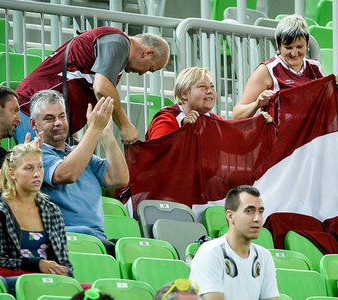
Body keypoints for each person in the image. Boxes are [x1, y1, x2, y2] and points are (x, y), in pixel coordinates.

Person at [15, 26, 170, 144]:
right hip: (31, 112)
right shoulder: (118, 42)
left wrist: (71, 128)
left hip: (53, 124)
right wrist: (125, 125)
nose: (143, 74)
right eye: (149, 68)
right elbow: (101, 88)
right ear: (147, 53)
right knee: (38, 179)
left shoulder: (117, 55)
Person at [29, 90, 129, 255]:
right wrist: (94, 129)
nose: (58, 123)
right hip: (66, 239)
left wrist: (106, 134)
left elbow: (119, 178)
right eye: (49, 118)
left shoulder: (81, 152)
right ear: (33, 124)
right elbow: (67, 174)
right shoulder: (34, 152)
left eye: (62, 116)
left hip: (97, 240)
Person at [231, 14, 338, 120]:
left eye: (300, 47)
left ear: (307, 44)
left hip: (309, 140)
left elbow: (328, 105)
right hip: (279, 139)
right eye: (288, 47)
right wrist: (257, 104)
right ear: (279, 45)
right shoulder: (267, 70)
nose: (294, 53)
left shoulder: (315, 67)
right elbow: (236, 115)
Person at [0, 143, 72, 277]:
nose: (37, 174)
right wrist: (37, 264)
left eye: (40, 167)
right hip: (15, 281)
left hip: (51, 281)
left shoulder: (52, 211)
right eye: (29, 168)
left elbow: (65, 262)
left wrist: (66, 276)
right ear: (12, 173)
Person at [189, 185, 279, 300]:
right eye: (249, 211)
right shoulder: (210, 252)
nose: (257, 218)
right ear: (230, 216)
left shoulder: (264, 256)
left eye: (260, 212)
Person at [145, 67, 222, 140]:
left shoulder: (217, 121)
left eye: (212, 87)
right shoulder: (166, 119)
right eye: (202, 86)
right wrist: (183, 131)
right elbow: (159, 151)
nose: (209, 91)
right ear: (184, 94)